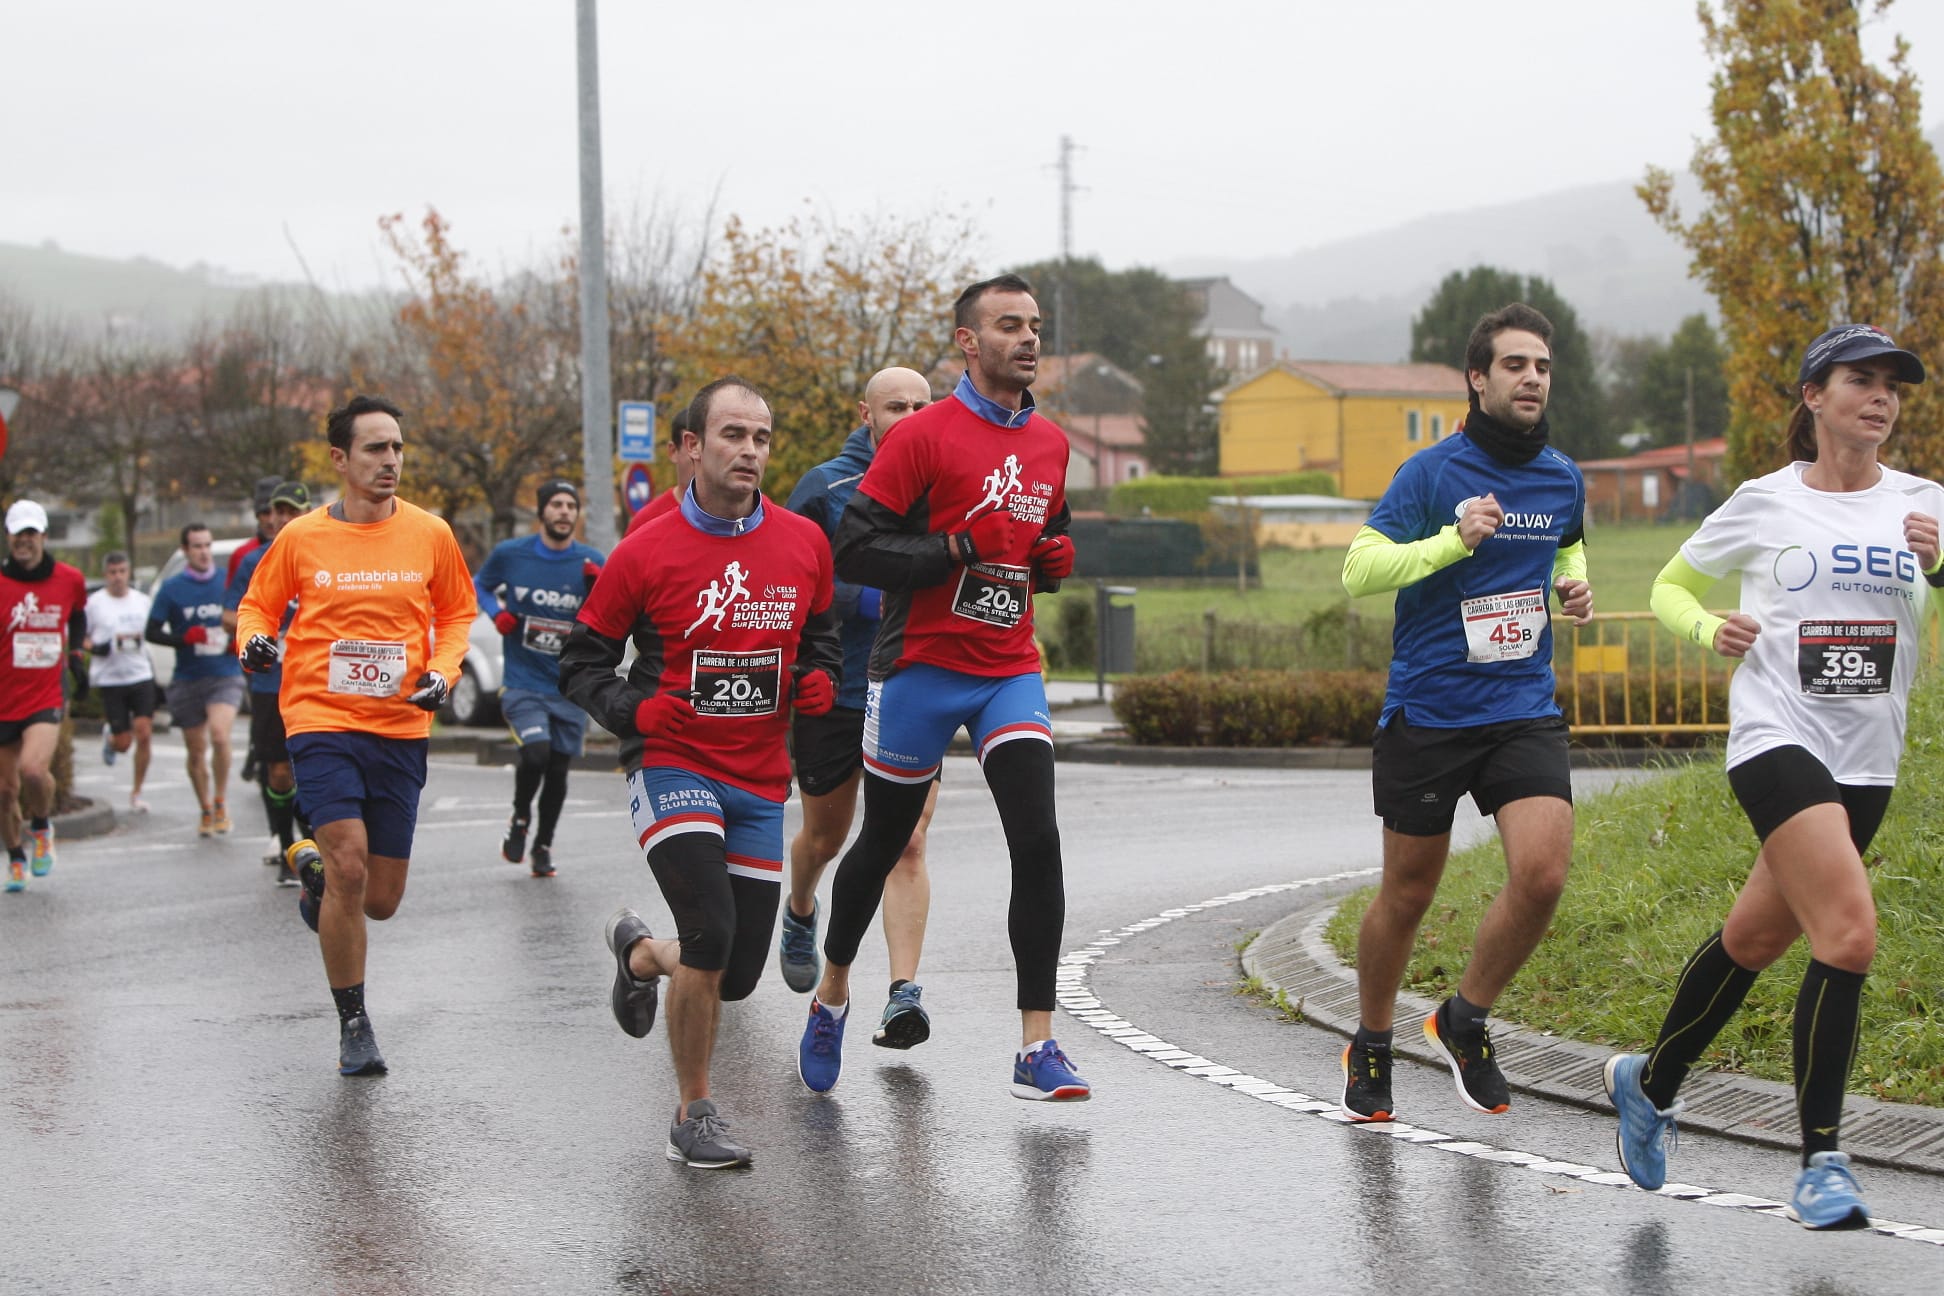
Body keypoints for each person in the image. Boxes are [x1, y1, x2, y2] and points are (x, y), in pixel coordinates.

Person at [1605, 324, 1942, 1230]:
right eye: (1859, 381)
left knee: (1754, 940)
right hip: (1776, 737)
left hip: (1868, 756)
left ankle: (1650, 1081)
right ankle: (1823, 1160)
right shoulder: (1765, 502)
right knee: (1850, 934)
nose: (1880, 398)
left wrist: (1941, 565)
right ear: (1812, 397)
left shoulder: (1925, 504)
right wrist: (1706, 630)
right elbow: (1674, 586)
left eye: (1891, 386)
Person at [798, 274, 1090, 1102]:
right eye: (1009, 325)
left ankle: (1036, 1045)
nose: (1029, 339)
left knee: (1037, 838)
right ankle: (831, 997)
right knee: (884, 842)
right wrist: (957, 548)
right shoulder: (922, 437)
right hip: (918, 667)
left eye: (1035, 325)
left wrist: (1052, 561)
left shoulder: (1051, 444)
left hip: (1007, 667)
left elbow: (1041, 532)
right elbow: (855, 552)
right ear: (969, 341)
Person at [561, 376, 839, 1169]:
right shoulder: (645, 549)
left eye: (761, 437)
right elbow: (581, 661)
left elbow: (819, 640)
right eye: (732, 435)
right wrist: (634, 711)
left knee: (737, 972)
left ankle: (642, 956)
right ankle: (694, 1114)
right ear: (690, 448)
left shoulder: (802, 543)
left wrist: (816, 680)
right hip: (671, 761)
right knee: (712, 933)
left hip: (757, 779)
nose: (749, 450)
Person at [1337, 302, 1592, 1124]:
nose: (1531, 379)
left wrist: (1573, 581)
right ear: (1479, 379)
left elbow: (1565, 540)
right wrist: (1453, 540)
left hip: (1521, 705)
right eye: (1515, 365)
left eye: (1542, 367)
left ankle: (1464, 1018)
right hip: (1431, 710)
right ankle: (1372, 1039)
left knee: (1544, 873)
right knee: (1408, 894)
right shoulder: (1431, 475)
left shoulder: (1561, 475)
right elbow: (1359, 571)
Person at [235, 395, 475, 1076]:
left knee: (380, 899)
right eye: (375, 449)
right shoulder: (302, 537)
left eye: (397, 447)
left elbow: (458, 613)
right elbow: (258, 603)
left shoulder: (431, 533)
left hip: (400, 724)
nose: (390, 461)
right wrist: (254, 639)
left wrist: (443, 670)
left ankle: (312, 878)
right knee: (348, 863)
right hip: (321, 716)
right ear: (340, 459)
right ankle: (354, 1024)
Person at [777, 366, 942, 1048]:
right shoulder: (826, 487)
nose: (909, 415)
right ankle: (800, 904)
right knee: (828, 837)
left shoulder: (942, 481)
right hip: (838, 687)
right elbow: (788, 574)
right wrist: (877, 594)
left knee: (907, 839)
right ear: (865, 413)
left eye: (921, 405)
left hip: (910, 681)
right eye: (895, 405)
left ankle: (902, 993)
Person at [473, 477, 605, 877]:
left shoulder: (590, 561)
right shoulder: (512, 555)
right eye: (557, 505)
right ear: (542, 512)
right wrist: (497, 614)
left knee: (559, 770)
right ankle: (519, 819)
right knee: (536, 752)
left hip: (567, 685)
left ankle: (543, 846)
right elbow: (479, 584)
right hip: (523, 681)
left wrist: (595, 585)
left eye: (571, 505)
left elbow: (609, 613)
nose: (565, 512)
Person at [224, 480, 313, 885]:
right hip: (270, 684)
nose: (281, 518)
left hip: (315, 682)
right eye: (277, 511)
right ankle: (284, 843)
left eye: (291, 511)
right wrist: (260, 633)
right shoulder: (254, 560)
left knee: (314, 768)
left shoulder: (323, 556)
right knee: (277, 770)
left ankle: (315, 844)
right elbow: (233, 614)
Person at [1, 499, 88, 892]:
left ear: (44, 537)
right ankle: (16, 856)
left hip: (45, 693)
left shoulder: (69, 579)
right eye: (18, 534)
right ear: (8, 537)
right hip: (4, 697)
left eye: (31, 534)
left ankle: (41, 825)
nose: (25, 541)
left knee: (33, 771)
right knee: (5, 791)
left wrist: (75, 657)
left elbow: (78, 613)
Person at [147, 522, 244, 836]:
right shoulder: (172, 588)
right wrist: (183, 638)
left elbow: (248, 618)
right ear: (185, 551)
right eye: (197, 546)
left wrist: (237, 640)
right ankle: (204, 807)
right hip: (188, 677)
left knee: (219, 735)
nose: (204, 552)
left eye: (207, 545)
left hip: (224, 673)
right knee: (196, 749)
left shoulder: (226, 582)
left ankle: (220, 801)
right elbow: (151, 631)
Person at [85, 550, 159, 812]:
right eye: (112, 573)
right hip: (111, 678)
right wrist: (96, 648)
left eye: (122, 572)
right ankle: (112, 738)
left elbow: (153, 630)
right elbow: (81, 638)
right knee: (124, 743)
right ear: (106, 575)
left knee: (145, 733)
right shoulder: (94, 604)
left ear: (129, 573)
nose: (117, 578)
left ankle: (137, 792)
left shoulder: (141, 601)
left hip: (140, 674)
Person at [624, 404, 694, 537]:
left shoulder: (735, 518)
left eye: (706, 448)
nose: (699, 456)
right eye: (692, 446)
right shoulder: (646, 521)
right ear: (673, 451)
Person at [227, 475, 285, 585]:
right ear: (257, 515)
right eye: (265, 513)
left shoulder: (302, 551)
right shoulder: (242, 555)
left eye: (278, 513)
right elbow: (233, 599)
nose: (271, 520)